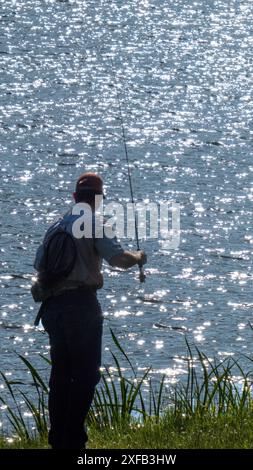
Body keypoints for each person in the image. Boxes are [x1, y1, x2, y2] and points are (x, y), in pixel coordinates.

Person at [36, 172, 147, 450]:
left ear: (75, 197)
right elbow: (119, 260)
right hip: (82, 307)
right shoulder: (95, 223)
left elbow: (39, 271)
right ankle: (74, 441)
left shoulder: (55, 227)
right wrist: (139, 256)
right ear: (98, 200)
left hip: (52, 310)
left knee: (61, 374)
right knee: (86, 376)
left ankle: (58, 439)